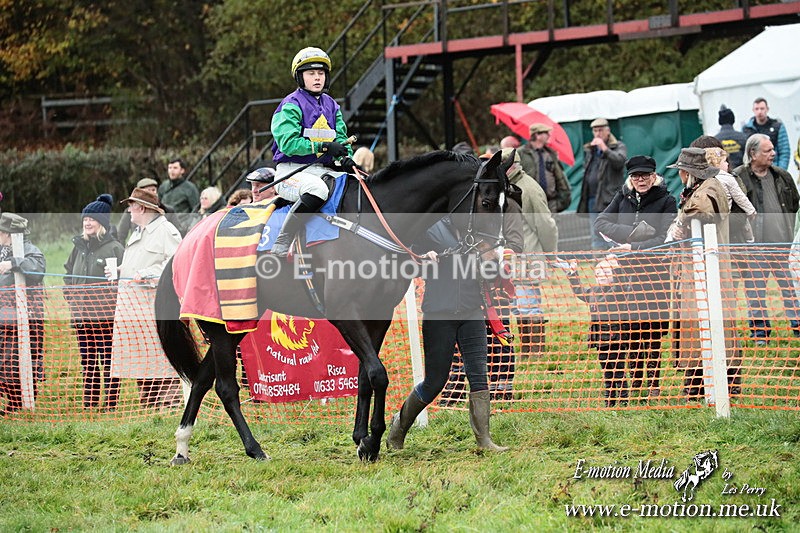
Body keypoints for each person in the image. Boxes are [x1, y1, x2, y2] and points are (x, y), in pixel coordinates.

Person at [387, 219, 508, 452]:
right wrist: (424, 257)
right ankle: (399, 427)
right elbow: (408, 258)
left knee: (479, 376)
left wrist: (492, 259)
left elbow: (492, 274)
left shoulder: (477, 231)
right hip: (438, 314)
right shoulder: (430, 226)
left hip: (472, 312)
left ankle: (484, 440)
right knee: (435, 382)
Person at [595, 155, 677, 398]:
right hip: (625, 275)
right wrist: (631, 234)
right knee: (629, 332)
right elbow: (601, 222)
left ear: (654, 176)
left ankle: (653, 385)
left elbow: (664, 240)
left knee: (651, 334)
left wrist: (633, 246)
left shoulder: (667, 200)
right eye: (635, 176)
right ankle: (637, 383)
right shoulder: (623, 195)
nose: (640, 180)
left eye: (645, 175)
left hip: (654, 276)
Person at [269, 47, 356, 257]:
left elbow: (342, 139)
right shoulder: (291, 105)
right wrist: (324, 147)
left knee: (356, 184)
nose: (317, 78)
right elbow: (288, 143)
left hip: (322, 170)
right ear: (300, 77)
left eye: (321, 73)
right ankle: (282, 241)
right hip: (291, 173)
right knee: (318, 190)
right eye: (311, 73)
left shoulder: (332, 106)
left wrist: (345, 158)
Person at [669, 147, 741, 399]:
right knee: (696, 327)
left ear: (688, 172)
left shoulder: (709, 188)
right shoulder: (700, 187)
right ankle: (697, 384)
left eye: (680, 170)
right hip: (696, 269)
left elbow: (701, 210)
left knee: (717, 326)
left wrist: (682, 221)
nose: (678, 174)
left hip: (711, 269)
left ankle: (723, 384)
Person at [110, 187, 184, 408]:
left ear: (141, 208)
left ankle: (169, 402)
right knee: (140, 353)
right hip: (134, 309)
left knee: (162, 353)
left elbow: (176, 264)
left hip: (154, 307)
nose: (129, 211)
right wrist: (120, 270)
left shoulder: (166, 231)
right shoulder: (138, 231)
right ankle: (148, 400)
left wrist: (150, 274)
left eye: (131, 206)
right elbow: (139, 262)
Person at [732, 133, 800, 343]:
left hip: (782, 245)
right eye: (767, 150)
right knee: (755, 291)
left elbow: (794, 204)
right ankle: (760, 332)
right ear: (753, 154)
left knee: (789, 289)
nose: (773, 153)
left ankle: (797, 325)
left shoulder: (782, 175)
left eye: (772, 149)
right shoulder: (738, 177)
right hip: (754, 248)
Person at [64, 194, 124, 410]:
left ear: (102, 223)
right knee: (88, 363)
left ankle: (110, 404)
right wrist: (70, 296)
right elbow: (68, 273)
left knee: (108, 361)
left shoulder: (115, 248)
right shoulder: (78, 247)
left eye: (92, 219)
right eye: (85, 219)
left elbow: (122, 280)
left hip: (105, 317)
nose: (87, 223)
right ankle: (89, 403)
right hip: (82, 316)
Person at [566, 257, 631, 407]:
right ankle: (610, 400)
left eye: (606, 271)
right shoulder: (593, 291)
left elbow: (621, 282)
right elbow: (579, 290)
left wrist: (616, 267)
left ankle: (623, 400)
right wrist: (573, 273)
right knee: (607, 370)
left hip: (616, 337)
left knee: (618, 369)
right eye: (598, 272)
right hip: (600, 338)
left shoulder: (618, 290)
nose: (601, 274)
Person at [0, 213, 45, 416]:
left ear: (9, 234)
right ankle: (12, 401)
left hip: (25, 317)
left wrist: (13, 263)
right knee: (5, 361)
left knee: (17, 361)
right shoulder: (3, 249)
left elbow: (38, 269)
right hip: (5, 315)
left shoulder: (30, 250)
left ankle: (20, 403)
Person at [578, 118, 628, 249]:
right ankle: (599, 265)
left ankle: (616, 264)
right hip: (593, 199)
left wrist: (605, 149)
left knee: (612, 234)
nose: (598, 133)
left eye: (600, 130)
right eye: (595, 130)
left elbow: (620, 162)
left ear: (608, 130)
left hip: (610, 200)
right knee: (596, 235)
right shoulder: (591, 150)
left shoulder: (618, 146)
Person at [703, 146, 756, 243]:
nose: (728, 164)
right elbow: (740, 197)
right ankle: (750, 239)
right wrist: (751, 210)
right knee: (746, 223)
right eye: (725, 161)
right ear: (717, 164)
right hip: (726, 215)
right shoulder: (728, 178)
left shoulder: (703, 179)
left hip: (709, 217)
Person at [518, 123, 572, 213]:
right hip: (531, 203)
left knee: (551, 227)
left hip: (550, 202)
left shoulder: (550, 153)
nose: (549, 135)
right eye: (546, 133)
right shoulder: (521, 153)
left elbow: (559, 178)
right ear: (537, 135)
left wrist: (562, 200)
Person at [118, 177, 176, 243]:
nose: (152, 193)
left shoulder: (168, 210)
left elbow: (179, 232)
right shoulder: (130, 212)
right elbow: (120, 235)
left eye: (153, 190)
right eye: (148, 191)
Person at [743, 98, 791, 170]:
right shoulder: (746, 129)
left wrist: (780, 171)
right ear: (753, 110)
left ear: (767, 109)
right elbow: (745, 152)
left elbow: (784, 152)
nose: (759, 111)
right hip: (753, 171)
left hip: (774, 168)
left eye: (762, 108)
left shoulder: (777, 126)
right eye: (757, 109)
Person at [158, 158, 199, 235]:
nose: (172, 170)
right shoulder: (163, 186)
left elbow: (196, 209)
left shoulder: (190, 188)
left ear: (182, 170)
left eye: (175, 168)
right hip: (164, 226)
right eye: (170, 168)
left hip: (182, 227)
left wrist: (188, 226)